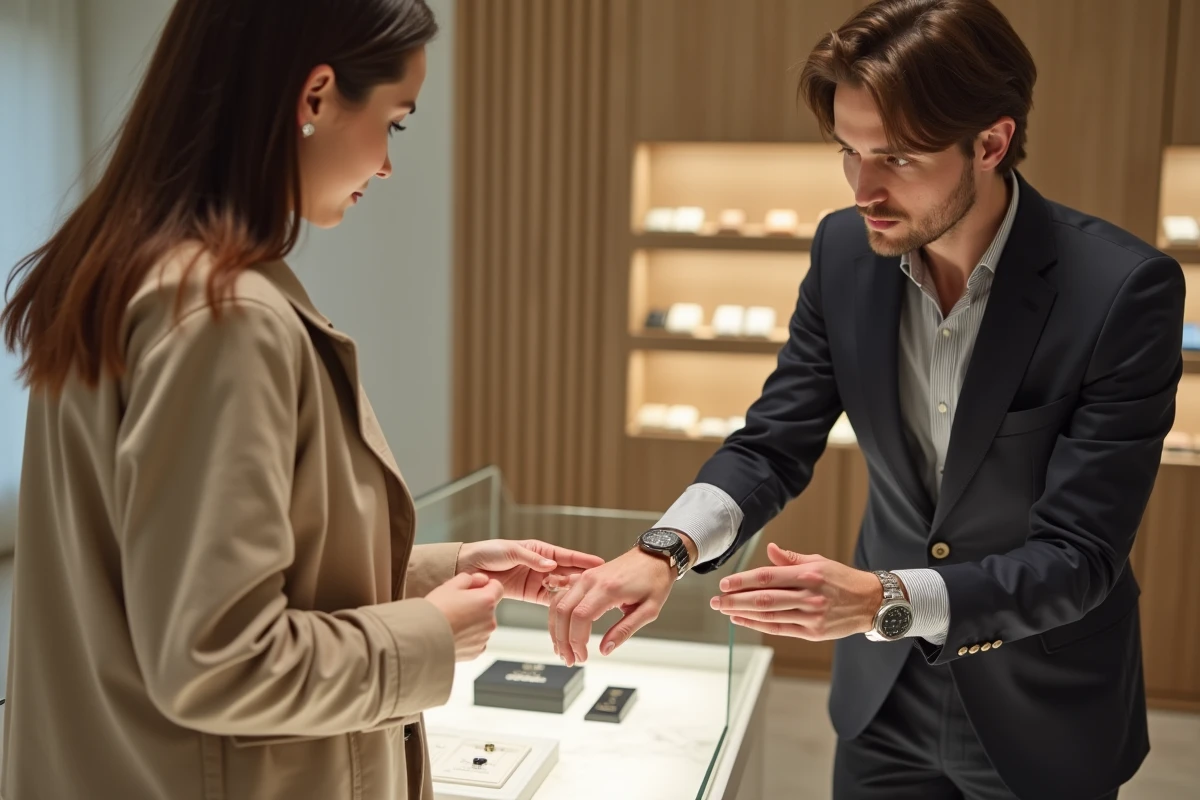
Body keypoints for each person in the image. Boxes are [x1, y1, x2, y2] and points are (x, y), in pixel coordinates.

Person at [547, 1, 1183, 798]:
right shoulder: (845, 250)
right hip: (883, 697)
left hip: (1042, 696)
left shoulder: (1122, 291)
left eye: (899, 159)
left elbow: (1080, 557)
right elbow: (774, 441)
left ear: (992, 142)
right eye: (848, 151)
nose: (865, 189)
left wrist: (882, 597)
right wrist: (663, 549)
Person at [0, 1, 602, 798]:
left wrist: (439, 573)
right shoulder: (224, 318)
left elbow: (178, 581)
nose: (387, 165)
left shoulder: (126, 270)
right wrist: (429, 635)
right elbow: (219, 660)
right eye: (396, 122)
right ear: (316, 97)